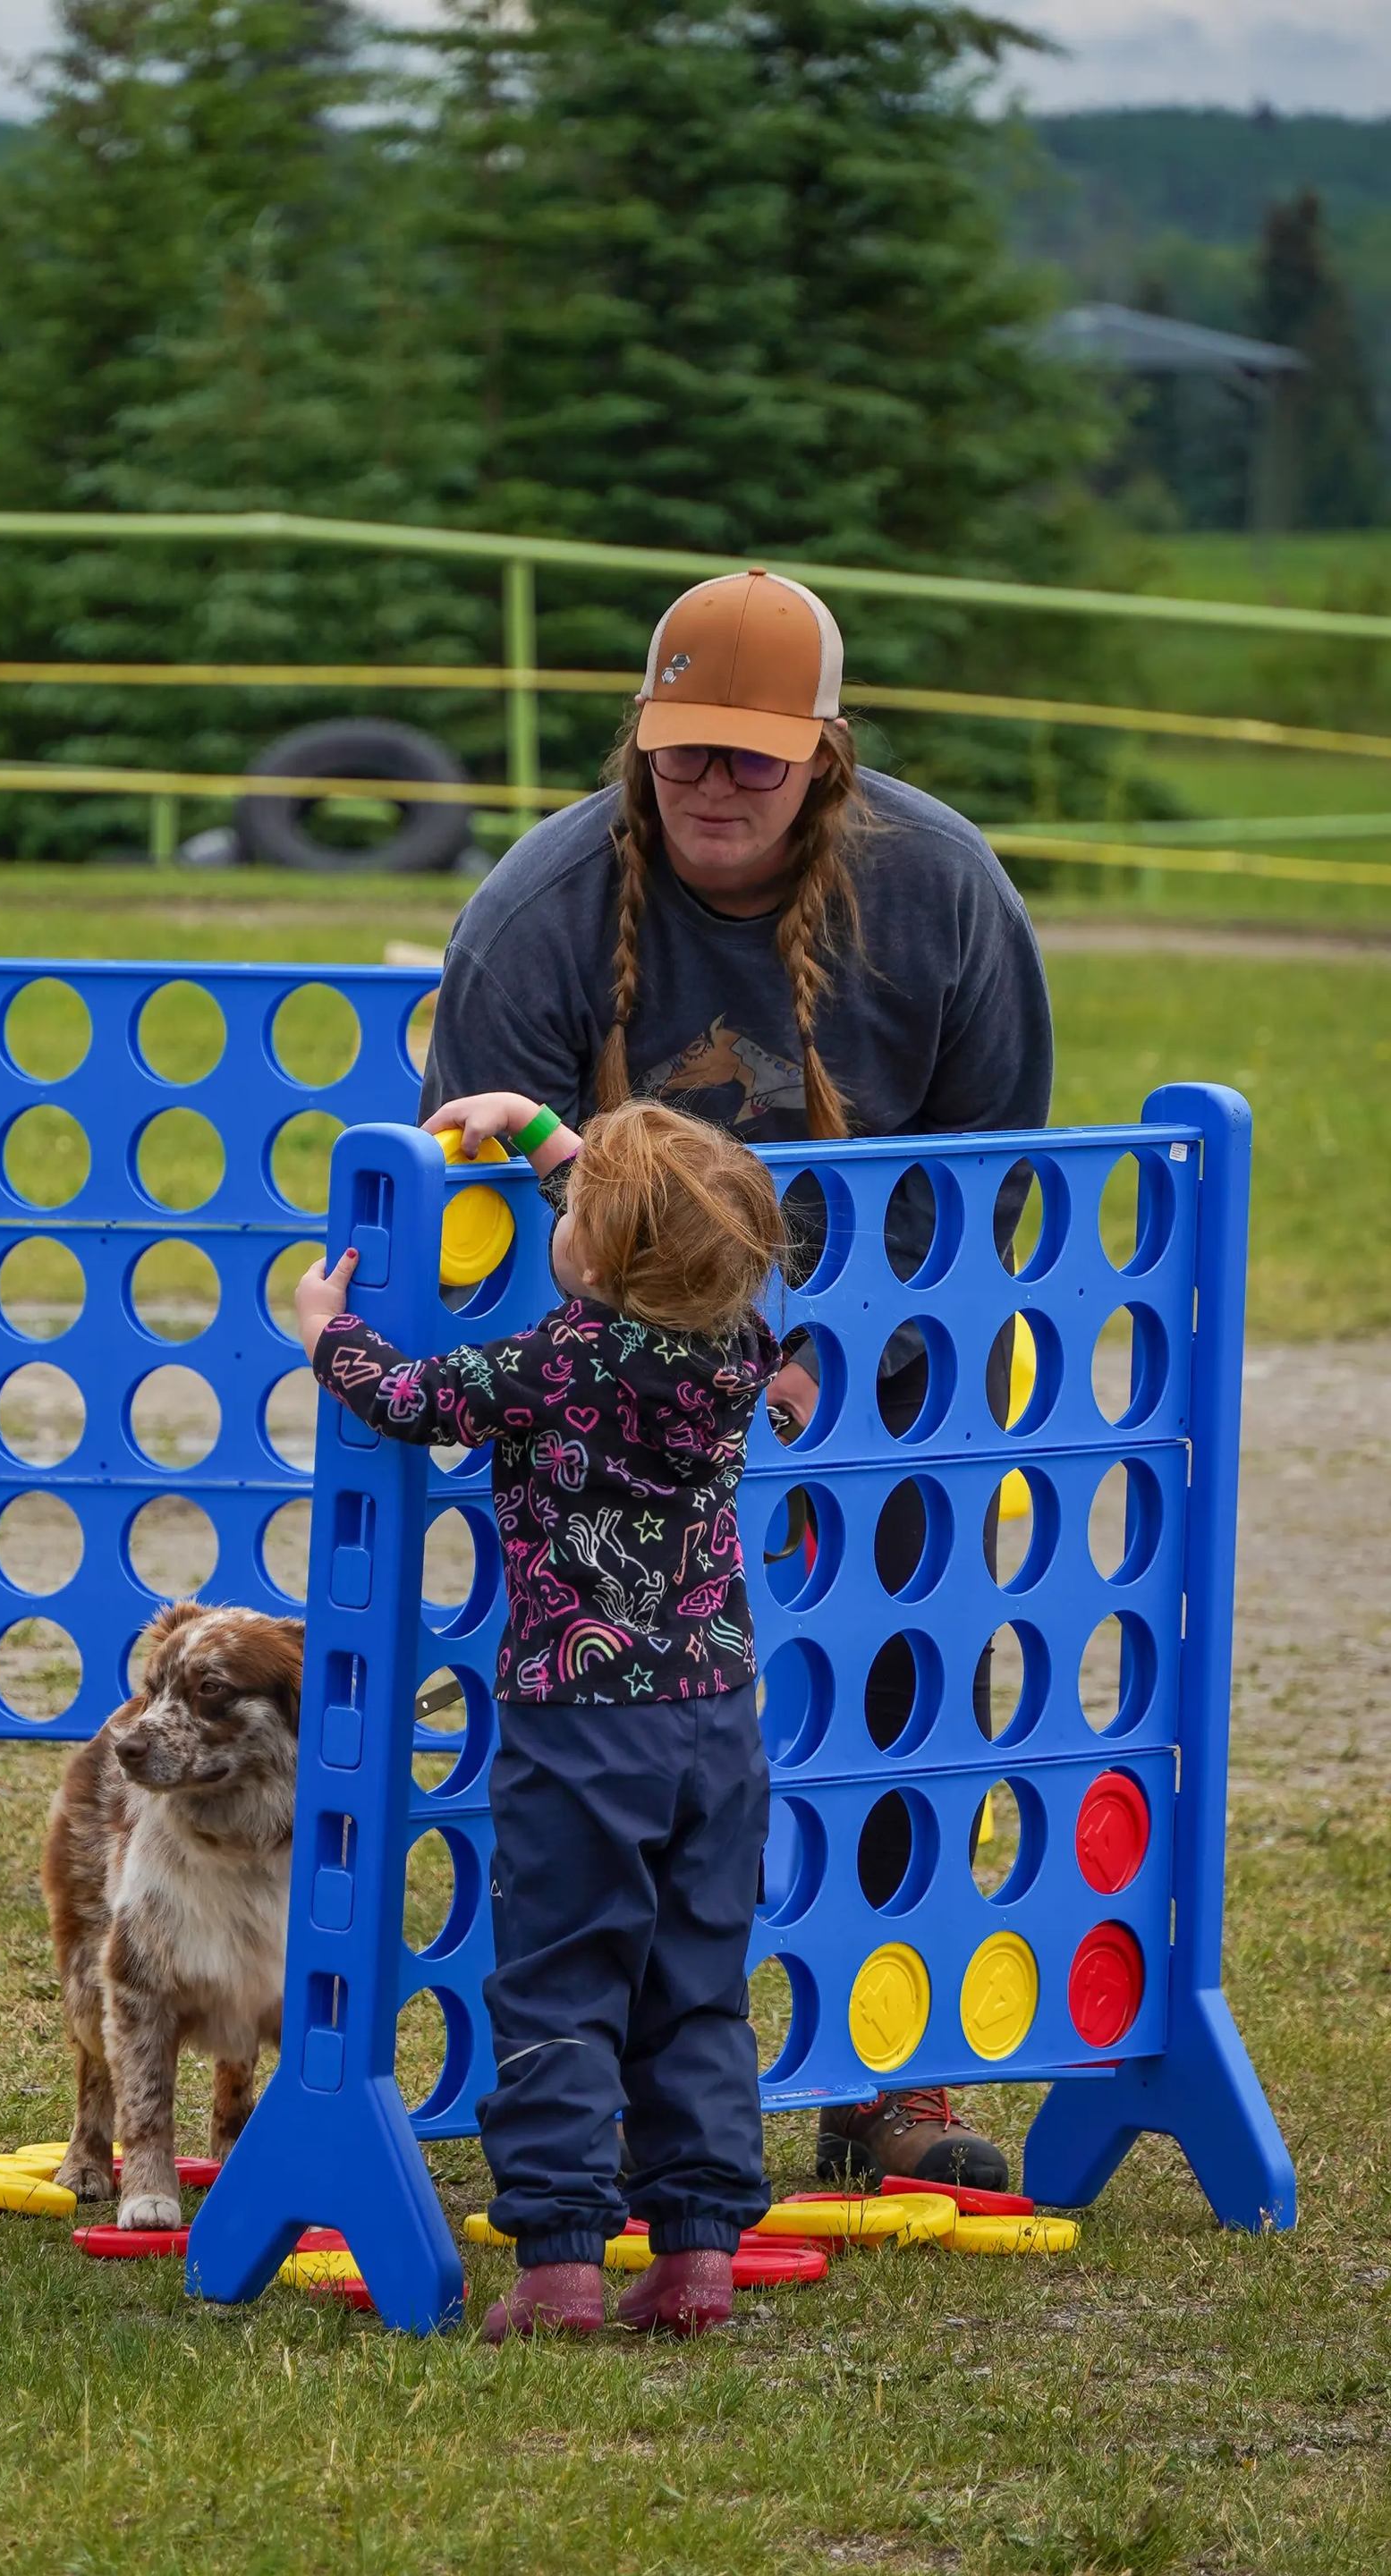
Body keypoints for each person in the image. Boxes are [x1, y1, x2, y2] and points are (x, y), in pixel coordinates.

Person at [418, 566, 1054, 2192]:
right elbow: (478, 1186)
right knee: (605, 1745)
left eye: (752, 758)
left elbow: (988, 1182)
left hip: (885, 1367)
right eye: (683, 750)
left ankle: (891, 2071)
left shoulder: (947, 893)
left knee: (904, 1691)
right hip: (616, 1392)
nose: (713, 784)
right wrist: (679, 1357)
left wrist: (845, 1361)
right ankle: (598, 2087)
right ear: (641, 740)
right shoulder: (539, 906)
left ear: (825, 755)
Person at [296, 1097, 785, 2340]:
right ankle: (697, 2257)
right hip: (717, 1719)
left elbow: (405, 1396)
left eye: (571, 1209)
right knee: (695, 1986)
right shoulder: (736, 1340)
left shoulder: (546, 1368)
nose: (559, 1216)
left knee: (562, 1983)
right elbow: (647, 1237)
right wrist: (545, 1141)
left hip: (582, 1727)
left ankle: (563, 2263)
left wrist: (325, 1334)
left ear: (596, 1254)